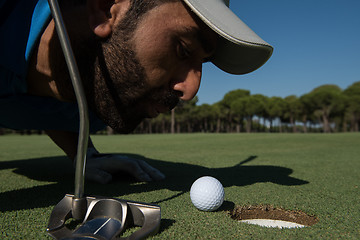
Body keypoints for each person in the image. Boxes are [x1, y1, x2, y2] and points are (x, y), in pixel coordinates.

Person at [0, 0, 273, 184]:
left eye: (201, 63)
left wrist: (84, 156)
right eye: (183, 49)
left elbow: (56, 112)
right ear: (106, 8)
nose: (190, 91)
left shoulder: (98, 106)